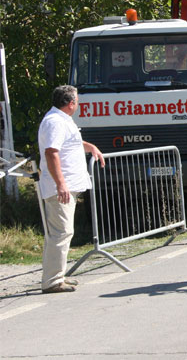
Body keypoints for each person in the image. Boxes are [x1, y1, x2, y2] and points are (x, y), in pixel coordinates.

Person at [38, 85, 104, 294]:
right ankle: (52, 281)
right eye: (77, 100)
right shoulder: (55, 122)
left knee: (63, 232)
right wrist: (61, 184)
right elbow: (51, 152)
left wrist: (89, 146)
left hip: (64, 186)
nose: (78, 104)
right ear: (71, 103)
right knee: (61, 232)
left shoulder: (61, 120)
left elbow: (69, 143)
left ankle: (57, 275)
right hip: (60, 188)